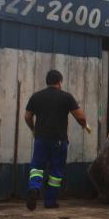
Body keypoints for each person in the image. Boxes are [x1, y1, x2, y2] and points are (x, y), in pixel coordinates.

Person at [23, 69, 91, 210]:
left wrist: (34, 129)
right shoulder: (66, 97)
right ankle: (50, 202)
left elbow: (27, 117)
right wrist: (85, 125)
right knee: (56, 171)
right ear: (59, 82)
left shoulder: (36, 97)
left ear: (47, 82)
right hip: (59, 141)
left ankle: (34, 188)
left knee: (37, 167)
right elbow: (80, 117)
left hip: (41, 139)